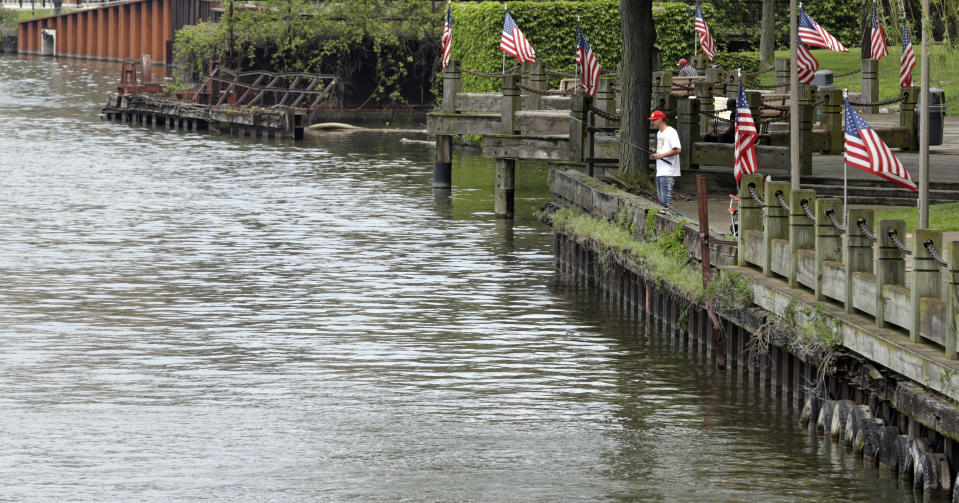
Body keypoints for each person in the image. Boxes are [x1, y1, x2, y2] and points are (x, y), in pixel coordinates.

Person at [649, 110, 682, 214]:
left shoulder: (671, 131)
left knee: (667, 199)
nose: (652, 123)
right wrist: (656, 154)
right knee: (662, 199)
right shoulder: (659, 133)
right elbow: (663, 149)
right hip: (660, 170)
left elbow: (678, 149)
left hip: (668, 170)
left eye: (654, 120)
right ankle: (667, 217)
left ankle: (672, 217)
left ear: (660, 120)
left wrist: (660, 155)